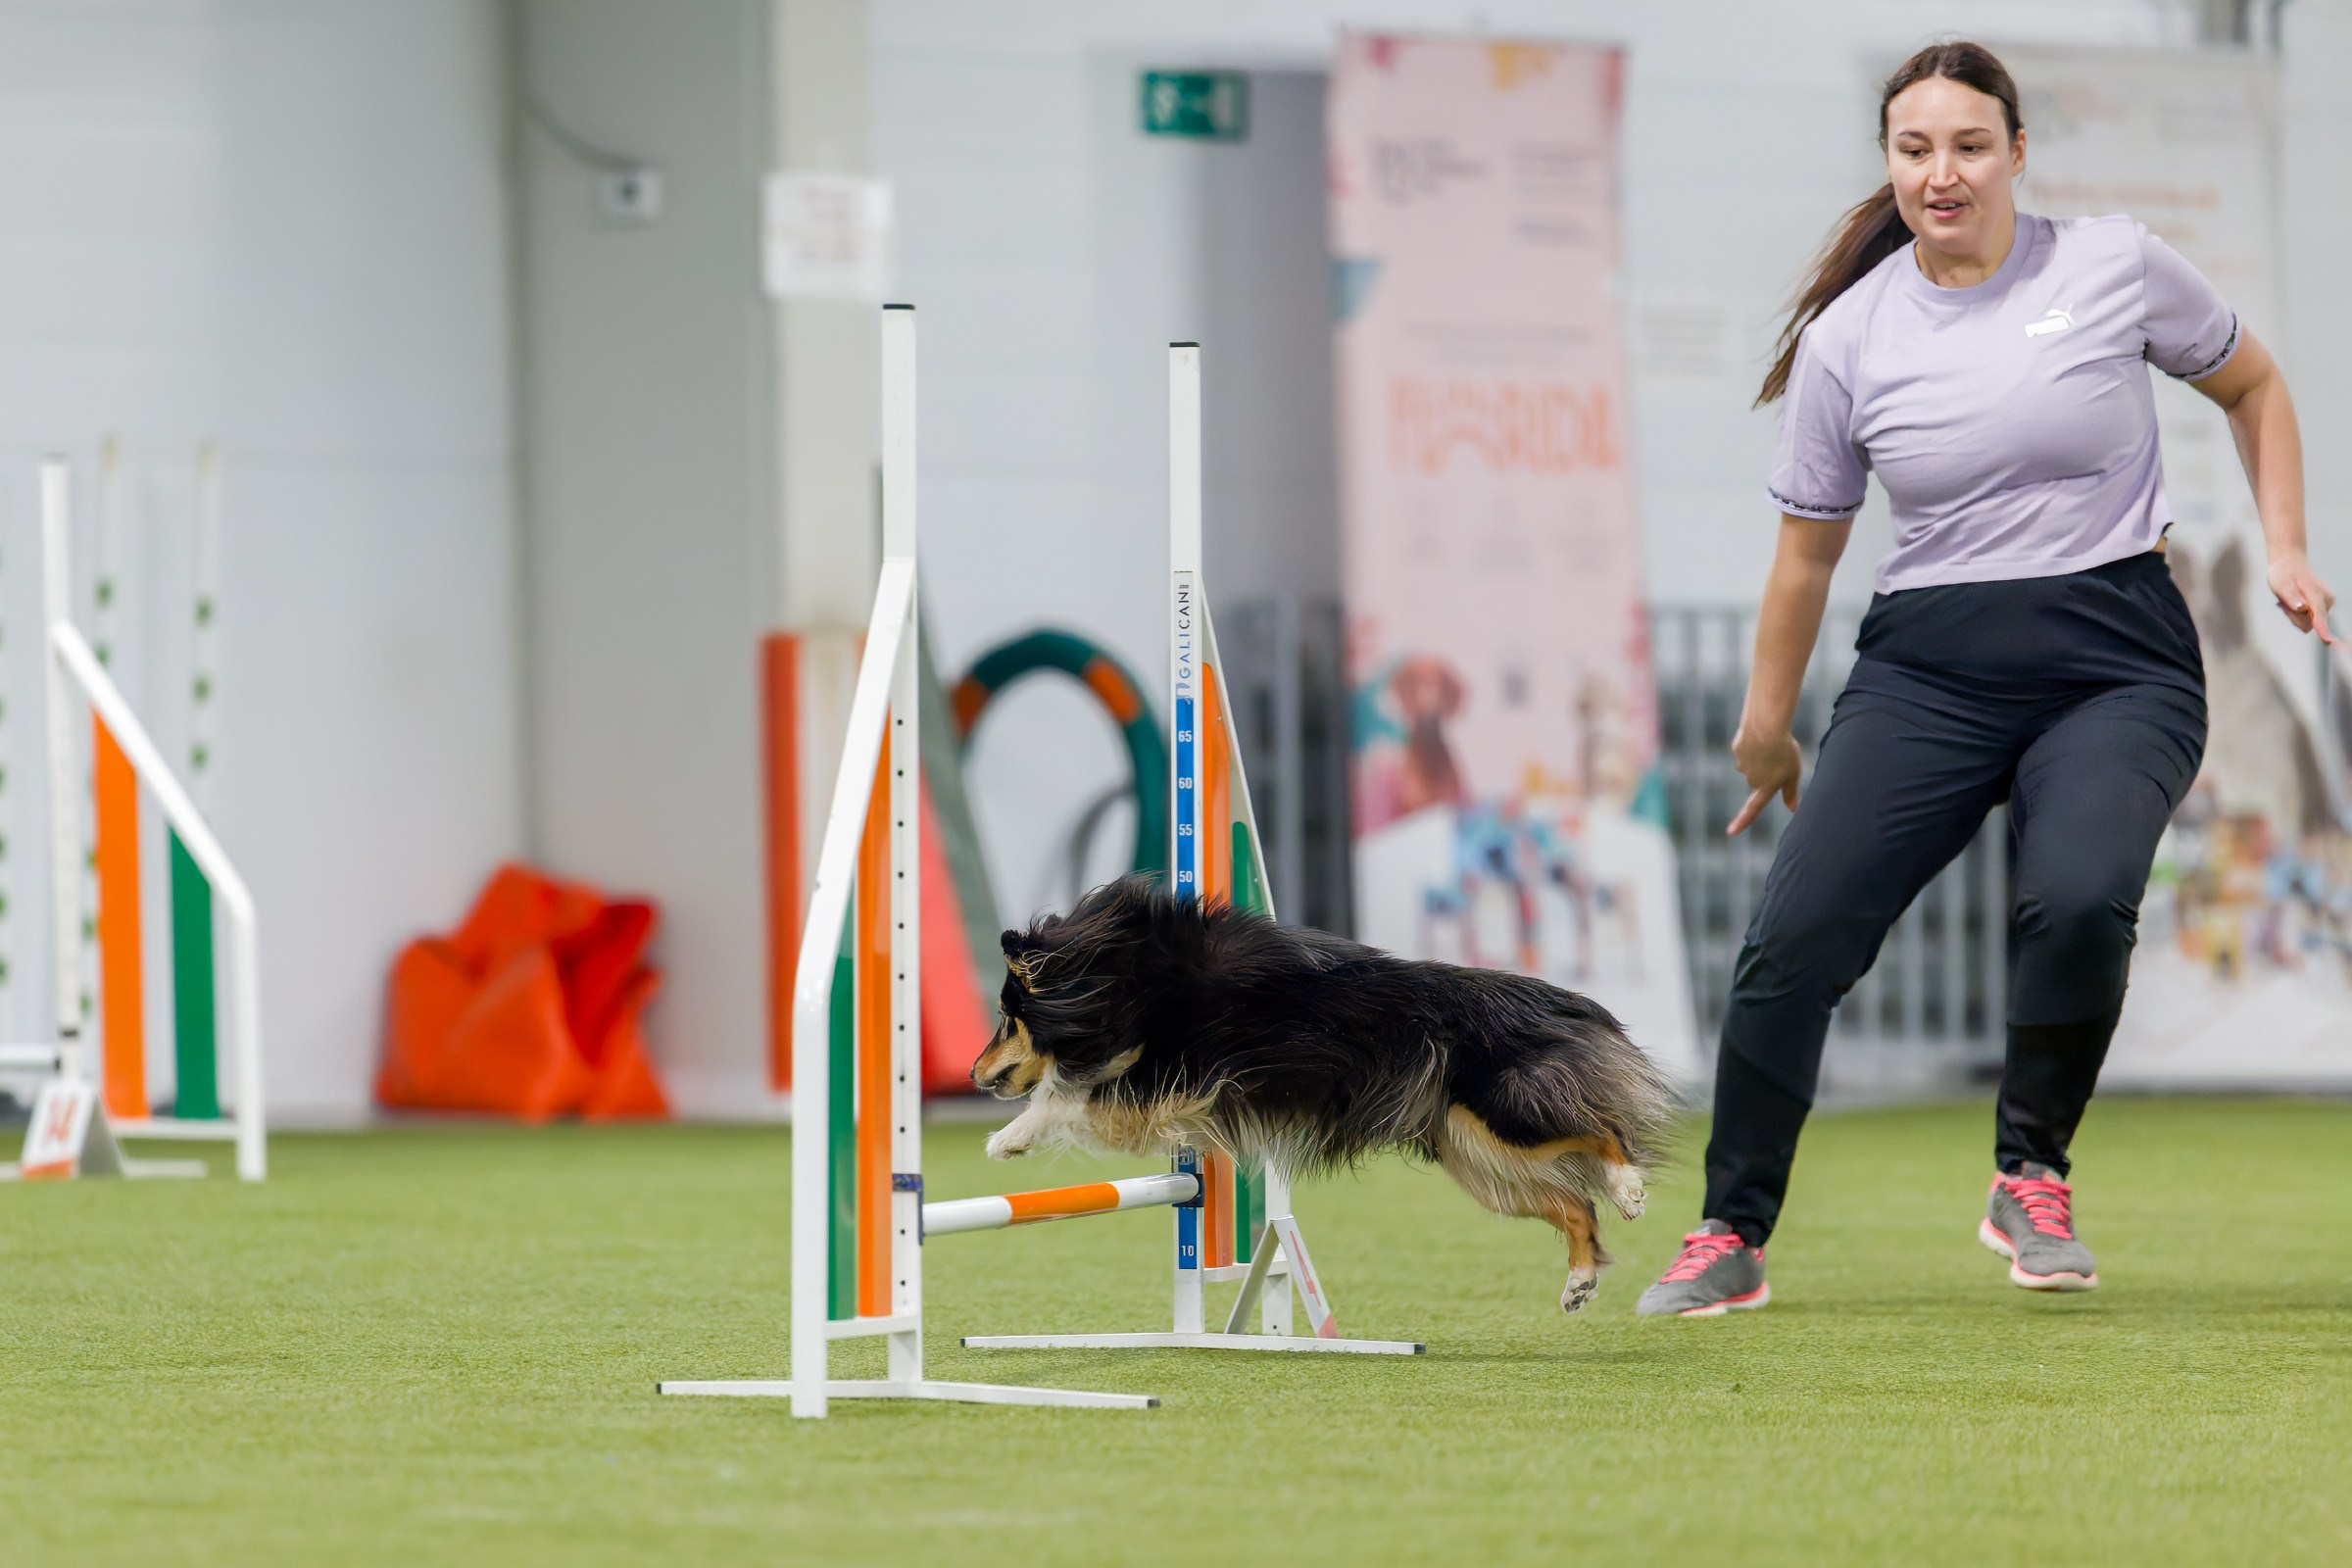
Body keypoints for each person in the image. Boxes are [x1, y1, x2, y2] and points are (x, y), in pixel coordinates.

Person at [1636, 40, 2333, 1317]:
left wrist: (2284, 544)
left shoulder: (2113, 264)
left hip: (2118, 662)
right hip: (1930, 674)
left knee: (2076, 902)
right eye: (1914, 150)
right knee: (1793, 939)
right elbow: (1804, 563)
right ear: (1889, 162)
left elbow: (2254, 383)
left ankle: (2032, 1172)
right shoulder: (1851, 338)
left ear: (2017, 151)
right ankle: (1728, 1230)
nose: (1940, 173)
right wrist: (1765, 729)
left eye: (1968, 146)